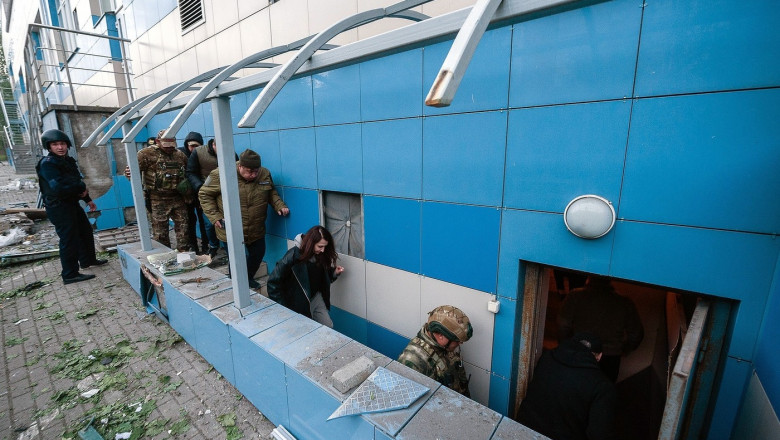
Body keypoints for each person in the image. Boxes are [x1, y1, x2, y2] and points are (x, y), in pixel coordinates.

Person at [199, 149, 289, 288]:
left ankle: (248, 278)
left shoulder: (264, 174)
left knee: (258, 253)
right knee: (236, 260)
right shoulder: (220, 174)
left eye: (256, 171)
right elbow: (204, 194)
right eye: (249, 171)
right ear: (240, 166)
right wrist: (214, 216)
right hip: (231, 226)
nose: (253, 175)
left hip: (255, 225)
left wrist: (279, 205)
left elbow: (271, 192)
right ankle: (236, 285)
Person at [36, 129, 107, 284]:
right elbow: (58, 188)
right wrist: (79, 187)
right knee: (69, 239)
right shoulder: (48, 164)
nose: (60, 147)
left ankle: (88, 260)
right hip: (58, 207)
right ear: (49, 147)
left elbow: (77, 184)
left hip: (71, 203)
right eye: (55, 144)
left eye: (62, 144)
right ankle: (69, 274)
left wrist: (87, 199)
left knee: (85, 231)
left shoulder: (68, 161)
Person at [517, 333, 617, 440]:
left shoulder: (547, 358)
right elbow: (599, 434)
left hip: (523, 430)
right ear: (599, 356)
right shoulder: (602, 386)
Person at [558, 275, 644, 382]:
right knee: (602, 395)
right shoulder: (624, 303)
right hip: (610, 357)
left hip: (580, 351)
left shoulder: (575, 296)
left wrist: (567, 345)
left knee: (574, 390)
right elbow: (636, 334)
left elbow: (563, 325)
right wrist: (624, 350)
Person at [267, 225, 345, 327]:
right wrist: (285, 309)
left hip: (317, 298)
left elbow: (320, 277)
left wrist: (334, 272)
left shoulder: (320, 255)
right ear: (311, 243)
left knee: (328, 326)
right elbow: (273, 283)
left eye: (325, 246)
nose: (323, 250)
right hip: (298, 303)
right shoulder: (292, 256)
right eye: (320, 246)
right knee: (306, 331)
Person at [130, 129, 191, 251]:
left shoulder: (179, 155)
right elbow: (131, 172)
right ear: (158, 141)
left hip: (177, 197)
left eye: (172, 145)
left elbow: (188, 173)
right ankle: (165, 257)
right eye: (166, 146)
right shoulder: (145, 154)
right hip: (157, 199)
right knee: (160, 233)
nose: (169, 148)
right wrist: (128, 173)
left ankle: (184, 255)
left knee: (183, 229)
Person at [397, 305, 473, 397]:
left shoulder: (445, 346)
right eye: (457, 341)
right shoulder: (413, 361)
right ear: (441, 335)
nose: (460, 343)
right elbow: (404, 397)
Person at [186, 138, 236, 258]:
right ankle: (213, 245)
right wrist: (199, 187)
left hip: (225, 194)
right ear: (213, 145)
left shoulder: (231, 153)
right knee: (209, 222)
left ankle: (228, 248)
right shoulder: (198, 152)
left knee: (224, 221)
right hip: (207, 191)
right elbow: (190, 172)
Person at [178, 131, 208, 254]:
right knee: (190, 220)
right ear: (187, 145)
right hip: (187, 194)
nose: (193, 148)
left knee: (204, 221)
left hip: (200, 192)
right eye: (191, 145)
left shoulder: (203, 154)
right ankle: (193, 246)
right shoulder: (179, 154)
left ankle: (206, 245)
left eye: (196, 146)